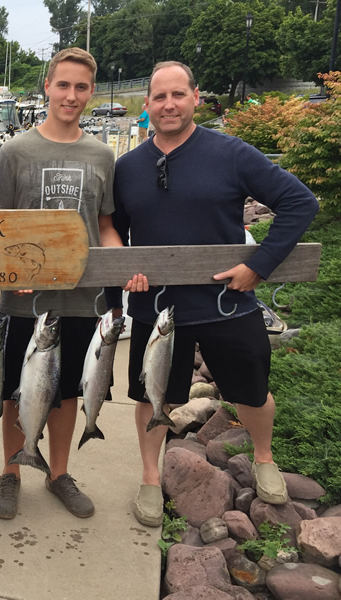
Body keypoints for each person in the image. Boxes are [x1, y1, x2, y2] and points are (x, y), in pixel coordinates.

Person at [113, 61, 319, 528]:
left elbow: (299, 202)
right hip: (156, 308)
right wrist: (125, 269)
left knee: (251, 389)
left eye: (178, 95)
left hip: (226, 303)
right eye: (159, 97)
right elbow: (115, 230)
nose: (168, 104)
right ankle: (150, 476)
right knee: (150, 396)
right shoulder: (125, 168)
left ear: (195, 98)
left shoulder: (232, 154)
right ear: (146, 105)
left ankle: (263, 457)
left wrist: (258, 267)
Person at [0, 47, 129, 521]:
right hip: (24, 303)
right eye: (63, 85)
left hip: (83, 300)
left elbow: (106, 225)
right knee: (16, 391)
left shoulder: (102, 155)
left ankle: (59, 472)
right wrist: (12, 269)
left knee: (68, 391)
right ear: (47, 87)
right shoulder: (14, 152)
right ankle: (11, 472)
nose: (71, 95)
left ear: (91, 93)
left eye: (81, 87)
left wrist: (119, 265)